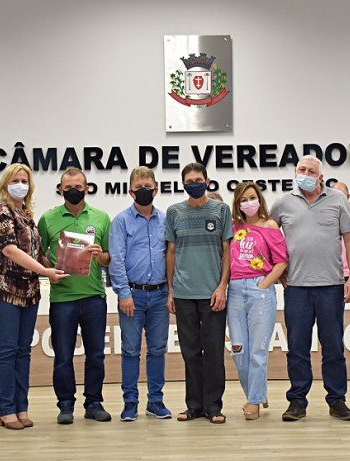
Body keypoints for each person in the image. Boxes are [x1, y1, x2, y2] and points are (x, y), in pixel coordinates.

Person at [269, 155, 350, 422]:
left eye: (311, 171)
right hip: (296, 287)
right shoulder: (283, 203)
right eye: (301, 169)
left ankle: (337, 400)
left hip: (331, 286)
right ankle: (297, 400)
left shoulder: (337, 200)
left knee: (333, 346)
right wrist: (278, 268)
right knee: (297, 347)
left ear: (320, 177)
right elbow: (268, 235)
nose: (305, 174)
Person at [0, 164, 67, 430]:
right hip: (4, 289)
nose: (20, 184)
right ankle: (6, 409)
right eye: (15, 180)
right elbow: (9, 250)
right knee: (7, 350)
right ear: (5, 184)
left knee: (23, 352)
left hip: (29, 292)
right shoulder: (1, 212)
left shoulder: (27, 216)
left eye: (24, 180)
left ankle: (21, 407)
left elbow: (37, 253)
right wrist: (44, 271)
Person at [38, 167, 112, 424]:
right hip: (62, 298)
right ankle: (65, 405)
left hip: (93, 296)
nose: (73, 190)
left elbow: (108, 258)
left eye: (79, 187)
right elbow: (40, 254)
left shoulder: (102, 218)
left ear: (87, 188)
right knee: (63, 355)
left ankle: (94, 402)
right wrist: (50, 269)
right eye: (68, 187)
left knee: (96, 355)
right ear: (60, 189)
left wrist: (99, 254)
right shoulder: (48, 219)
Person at [166, 162, 232, 424]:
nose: (194, 183)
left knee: (214, 351)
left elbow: (227, 250)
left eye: (198, 179)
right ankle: (193, 405)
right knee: (190, 351)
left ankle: (214, 406)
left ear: (207, 181)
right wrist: (171, 291)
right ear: (183, 183)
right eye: (189, 180)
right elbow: (170, 252)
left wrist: (222, 286)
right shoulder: (174, 212)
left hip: (212, 293)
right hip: (183, 294)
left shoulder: (221, 210)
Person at [108, 167, 172, 422]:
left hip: (160, 295)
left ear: (156, 190)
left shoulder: (166, 220)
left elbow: (171, 256)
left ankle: (155, 401)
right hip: (132, 294)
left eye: (148, 186)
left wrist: (171, 292)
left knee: (157, 349)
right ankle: (130, 402)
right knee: (130, 350)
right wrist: (123, 293)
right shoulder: (121, 221)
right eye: (139, 187)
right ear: (130, 191)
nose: (144, 190)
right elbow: (117, 260)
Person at [227, 181, 288, 420]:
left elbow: (281, 260)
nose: (248, 203)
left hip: (259, 289)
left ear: (259, 199)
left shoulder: (270, 225)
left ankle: (253, 401)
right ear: (237, 204)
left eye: (252, 197)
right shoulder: (233, 227)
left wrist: (263, 284)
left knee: (258, 351)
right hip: (234, 290)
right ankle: (258, 392)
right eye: (243, 199)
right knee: (238, 349)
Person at [334, 182, 350, 283]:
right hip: (331, 272)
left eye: (342, 196)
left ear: (348, 196)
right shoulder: (322, 215)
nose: (339, 199)